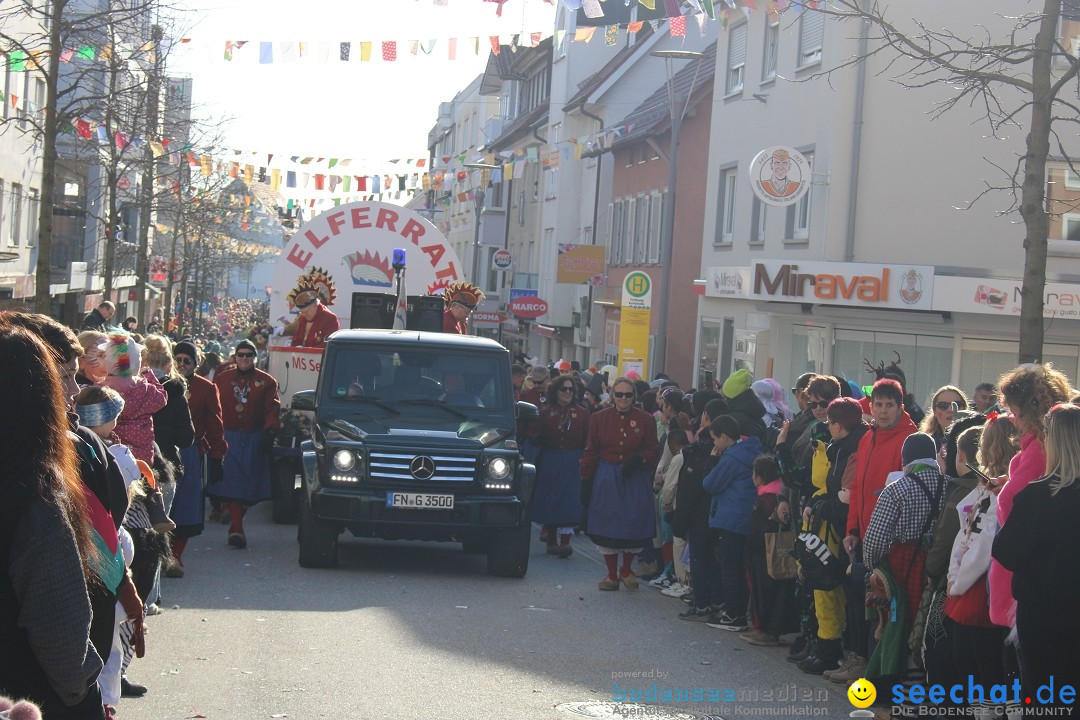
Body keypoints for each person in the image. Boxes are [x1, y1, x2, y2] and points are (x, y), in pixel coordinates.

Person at [0, 325, 107, 719]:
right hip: (30, 693)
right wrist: (81, 689)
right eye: (62, 377)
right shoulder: (34, 490)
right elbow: (57, 624)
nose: (75, 389)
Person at [987, 363, 1074, 685]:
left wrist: (1009, 496)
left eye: (1015, 412)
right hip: (1037, 583)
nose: (1012, 419)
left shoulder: (1041, 454)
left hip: (1037, 586)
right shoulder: (1035, 452)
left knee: (1040, 689)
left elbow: (1029, 520)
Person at [580, 377, 660, 591]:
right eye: (619, 394)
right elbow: (591, 450)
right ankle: (611, 574)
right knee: (608, 521)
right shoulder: (599, 418)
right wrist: (586, 478)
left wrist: (639, 460)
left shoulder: (645, 419)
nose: (623, 398)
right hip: (608, 474)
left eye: (628, 394)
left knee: (633, 521)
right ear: (612, 395)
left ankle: (626, 569)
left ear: (634, 396)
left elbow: (653, 449)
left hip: (635, 476)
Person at [212, 339, 281, 548]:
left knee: (250, 486)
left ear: (255, 358)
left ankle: (236, 517)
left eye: (249, 355)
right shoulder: (222, 379)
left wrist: (270, 431)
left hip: (253, 437)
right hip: (229, 436)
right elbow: (213, 407)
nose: (244, 358)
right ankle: (236, 528)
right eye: (240, 354)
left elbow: (272, 408)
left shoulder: (267, 382)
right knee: (233, 483)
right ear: (235, 356)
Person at [168, 340, 227, 575]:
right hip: (161, 449)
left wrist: (217, 455)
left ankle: (175, 556)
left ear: (196, 363)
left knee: (186, 506)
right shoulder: (161, 383)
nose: (182, 365)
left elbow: (215, 422)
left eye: (187, 361)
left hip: (191, 452)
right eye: (178, 360)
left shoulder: (205, 388)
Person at [701, 415, 762, 631]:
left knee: (730, 567)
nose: (715, 444)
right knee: (739, 567)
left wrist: (713, 458)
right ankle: (739, 612)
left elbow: (710, 483)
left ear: (725, 437)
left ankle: (734, 615)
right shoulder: (751, 450)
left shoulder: (731, 458)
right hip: (746, 517)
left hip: (731, 518)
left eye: (715, 439)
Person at [531, 375, 589, 558]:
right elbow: (534, 435)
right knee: (551, 498)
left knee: (569, 500)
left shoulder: (582, 413)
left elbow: (588, 439)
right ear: (555, 391)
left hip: (573, 459)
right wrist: (539, 438)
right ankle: (551, 540)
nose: (567, 393)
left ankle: (565, 542)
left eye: (571, 389)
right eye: (564, 389)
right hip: (551, 458)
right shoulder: (546, 412)